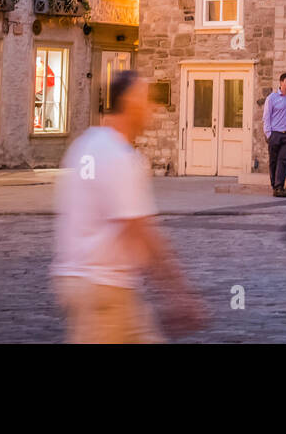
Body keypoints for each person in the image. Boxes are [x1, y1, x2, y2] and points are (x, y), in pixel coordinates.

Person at [52, 71, 203, 343]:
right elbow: (140, 229)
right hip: (102, 291)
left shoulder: (85, 144)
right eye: (146, 101)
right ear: (131, 102)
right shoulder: (119, 157)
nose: (151, 110)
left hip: (98, 286)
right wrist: (179, 292)